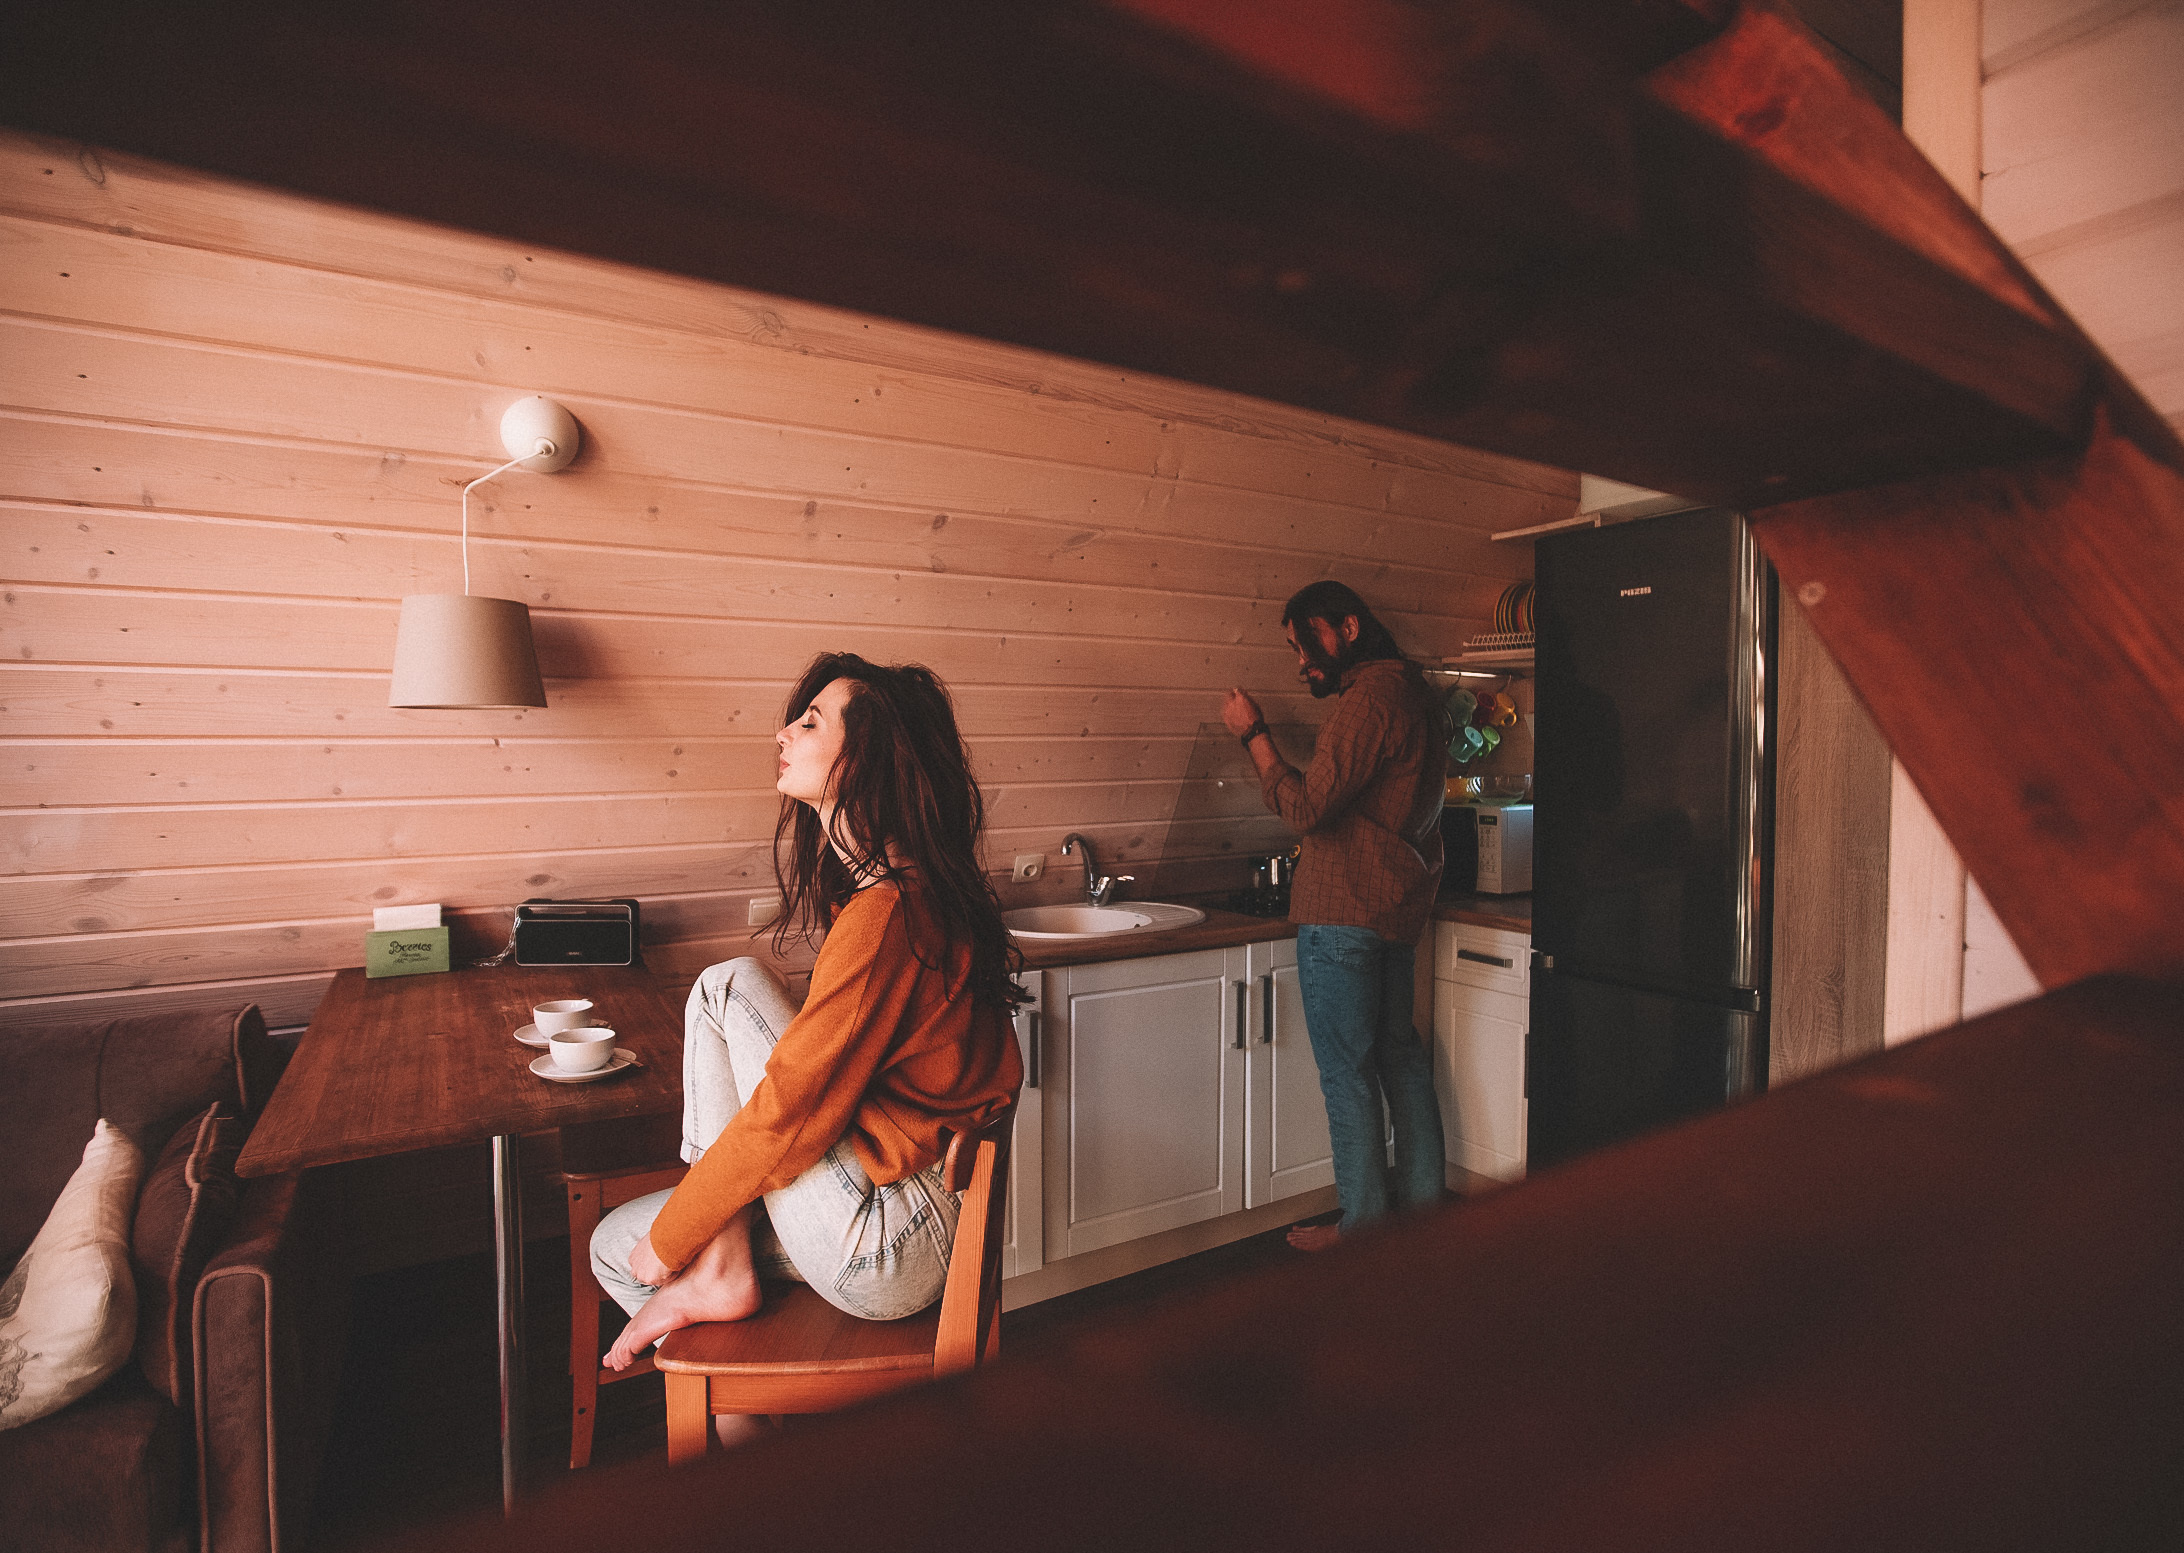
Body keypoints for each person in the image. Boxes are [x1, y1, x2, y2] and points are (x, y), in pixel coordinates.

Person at [590, 653, 1023, 1421]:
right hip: (881, 1205)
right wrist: (672, 1232)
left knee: (727, 986)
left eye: (811, 720)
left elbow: (789, 1111)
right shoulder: (906, 895)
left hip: (892, 1236)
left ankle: (720, 1281)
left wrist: (679, 1235)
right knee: (615, 1239)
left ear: (863, 759)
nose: (782, 732)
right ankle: (744, 1422)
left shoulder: (891, 912)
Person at [1222, 582, 1450, 1252]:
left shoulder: (1370, 698)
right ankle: (1424, 1219)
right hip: (1397, 909)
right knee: (1400, 1060)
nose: (1301, 662)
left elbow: (1307, 809)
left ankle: (1365, 1235)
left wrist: (1255, 735)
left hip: (1343, 913)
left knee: (1347, 1073)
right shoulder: (1417, 693)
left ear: (1348, 627)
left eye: (1306, 642)